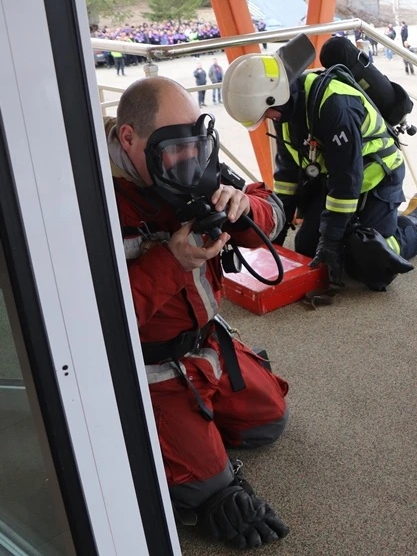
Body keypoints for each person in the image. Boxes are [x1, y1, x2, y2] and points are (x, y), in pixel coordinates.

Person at [110, 77, 290, 549]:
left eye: (196, 142)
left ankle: (196, 420)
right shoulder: (93, 203)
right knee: (208, 491)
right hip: (150, 365)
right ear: (129, 139)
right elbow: (99, 324)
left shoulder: (192, 162)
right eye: (175, 147)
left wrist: (243, 207)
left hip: (205, 344)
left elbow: (274, 215)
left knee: (268, 420)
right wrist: (171, 262)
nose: (190, 158)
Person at [222, 35, 417, 292]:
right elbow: (287, 174)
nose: (267, 118)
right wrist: (278, 228)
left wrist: (330, 240)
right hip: (334, 178)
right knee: (307, 249)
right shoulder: (284, 110)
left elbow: (347, 179)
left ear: (275, 97)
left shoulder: (334, 105)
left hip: (376, 176)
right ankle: (354, 229)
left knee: (371, 262)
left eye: (266, 112)